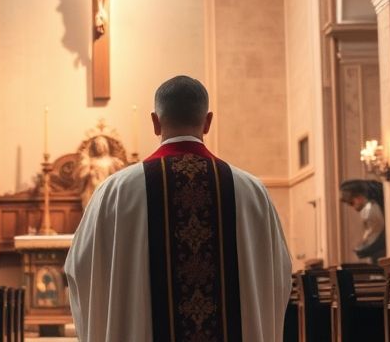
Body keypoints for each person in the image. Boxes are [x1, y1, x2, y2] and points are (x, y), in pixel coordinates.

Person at [65, 75, 292, 341]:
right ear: (207, 122)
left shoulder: (115, 191)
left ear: (155, 122)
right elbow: (279, 274)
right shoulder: (252, 191)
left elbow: (80, 270)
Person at [339, 179, 386, 264]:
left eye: (352, 203)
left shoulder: (370, 208)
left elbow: (375, 233)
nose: (353, 207)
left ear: (359, 197)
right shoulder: (369, 208)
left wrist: (363, 249)